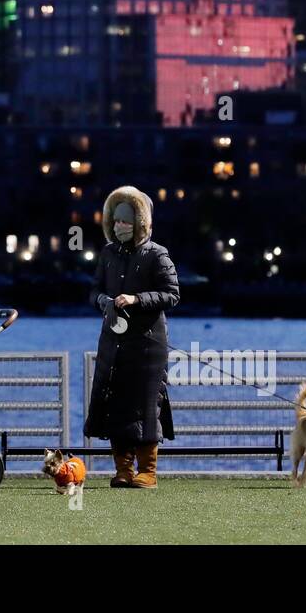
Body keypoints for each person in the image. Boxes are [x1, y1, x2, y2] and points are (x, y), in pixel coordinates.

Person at [84, 186, 178, 488]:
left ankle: (147, 471)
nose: (118, 226)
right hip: (113, 344)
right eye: (115, 221)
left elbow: (172, 294)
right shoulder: (108, 254)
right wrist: (104, 302)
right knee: (115, 406)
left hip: (148, 347)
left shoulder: (158, 254)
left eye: (124, 222)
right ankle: (122, 470)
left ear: (140, 223)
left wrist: (136, 300)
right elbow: (94, 291)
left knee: (147, 405)